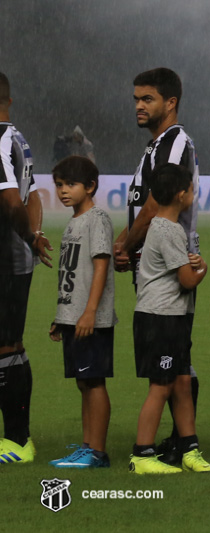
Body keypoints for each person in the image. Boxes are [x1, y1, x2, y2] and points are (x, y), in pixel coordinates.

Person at [114, 67, 201, 465]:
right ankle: (180, 443)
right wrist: (127, 245)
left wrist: (125, 243)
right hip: (155, 267)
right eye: (136, 98)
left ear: (171, 103)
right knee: (173, 358)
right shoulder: (155, 146)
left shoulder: (174, 142)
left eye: (147, 99)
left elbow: (156, 203)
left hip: (170, 268)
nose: (138, 105)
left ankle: (163, 444)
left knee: (174, 361)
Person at [129, 163, 210, 475]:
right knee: (161, 386)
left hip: (170, 317)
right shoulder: (169, 229)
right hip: (159, 318)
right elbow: (187, 281)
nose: (193, 193)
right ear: (181, 195)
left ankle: (189, 448)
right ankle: (142, 454)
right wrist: (202, 270)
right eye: (191, 188)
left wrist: (193, 266)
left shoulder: (161, 227)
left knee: (181, 382)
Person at [48, 156, 115, 468]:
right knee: (82, 381)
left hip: (91, 320)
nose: (63, 191)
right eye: (59, 185)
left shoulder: (97, 219)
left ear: (90, 187)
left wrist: (89, 312)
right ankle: (87, 446)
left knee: (94, 380)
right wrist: (62, 316)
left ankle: (97, 452)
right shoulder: (73, 222)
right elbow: (72, 274)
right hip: (73, 318)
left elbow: (100, 265)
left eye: (71, 185)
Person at [0, 71, 53, 465]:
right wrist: (33, 235)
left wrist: (28, 237)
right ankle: (18, 438)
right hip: (16, 257)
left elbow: (12, 201)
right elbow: (33, 194)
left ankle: (17, 441)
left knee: (5, 345)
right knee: (10, 345)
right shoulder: (15, 136)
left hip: (5, 258)